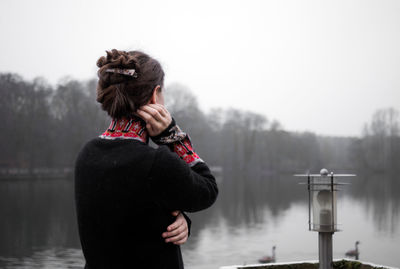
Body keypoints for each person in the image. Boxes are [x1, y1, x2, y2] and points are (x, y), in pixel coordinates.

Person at [74, 49, 218, 269]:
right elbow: (208, 190)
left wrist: (177, 218)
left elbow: (131, 215)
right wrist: (173, 136)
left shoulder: (87, 154)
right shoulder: (156, 164)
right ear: (155, 95)